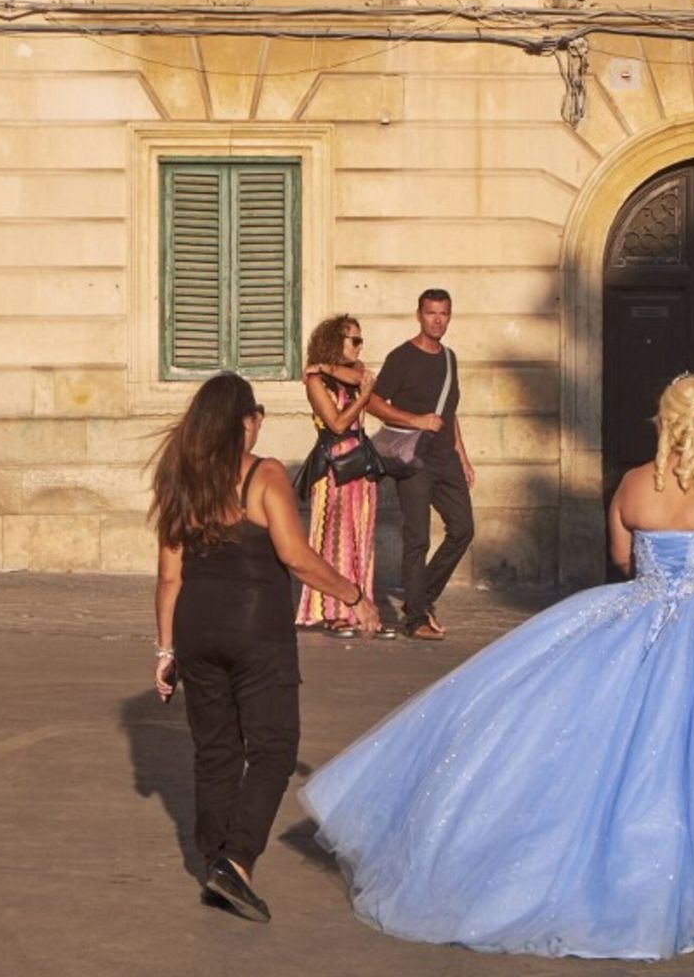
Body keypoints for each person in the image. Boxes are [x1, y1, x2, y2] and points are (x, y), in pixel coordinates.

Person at [300, 373, 694, 960]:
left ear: (663, 423)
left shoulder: (631, 486)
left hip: (642, 618)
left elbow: (625, 559)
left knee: (617, 749)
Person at [150, 372, 381, 924]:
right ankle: (237, 861)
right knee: (275, 747)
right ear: (244, 422)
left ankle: (213, 863)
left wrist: (165, 651)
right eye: (256, 418)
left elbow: (168, 579)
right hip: (256, 630)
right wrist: (355, 595)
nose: (258, 427)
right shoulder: (264, 475)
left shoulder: (181, 481)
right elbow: (297, 557)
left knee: (216, 751)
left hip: (195, 629)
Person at [367, 288, 473, 641]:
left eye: (443, 313)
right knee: (417, 538)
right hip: (414, 459)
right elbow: (373, 403)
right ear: (419, 315)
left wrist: (463, 455)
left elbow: (448, 412)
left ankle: (421, 596)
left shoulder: (450, 358)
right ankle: (415, 619)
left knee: (463, 529)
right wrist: (417, 421)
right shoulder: (402, 357)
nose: (438, 320)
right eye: (431, 313)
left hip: (446, 458)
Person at [295, 314, 392, 639]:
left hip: (361, 470)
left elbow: (359, 374)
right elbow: (336, 424)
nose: (360, 347)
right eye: (354, 340)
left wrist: (324, 367)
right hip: (334, 469)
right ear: (335, 341)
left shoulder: (352, 373)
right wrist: (363, 398)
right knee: (333, 539)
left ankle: (357, 607)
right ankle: (332, 611)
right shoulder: (315, 384)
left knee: (360, 538)